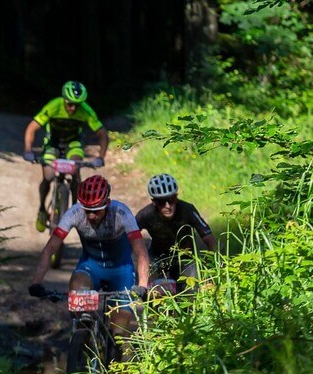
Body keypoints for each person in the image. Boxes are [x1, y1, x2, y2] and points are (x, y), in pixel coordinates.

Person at [29, 174, 149, 344]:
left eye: (96, 211)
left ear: (107, 203)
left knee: (119, 332)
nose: (91, 216)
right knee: (78, 293)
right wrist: (36, 282)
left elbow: (141, 252)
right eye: (87, 210)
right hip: (90, 268)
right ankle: (84, 335)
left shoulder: (122, 213)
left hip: (121, 271)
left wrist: (142, 285)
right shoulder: (74, 213)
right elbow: (50, 249)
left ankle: (112, 355)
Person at [22, 81, 109, 232]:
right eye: (70, 104)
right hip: (52, 143)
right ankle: (42, 208)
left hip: (73, 144)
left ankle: (77, 208)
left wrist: (101, 156)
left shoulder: (86, 110)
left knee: (75, 170)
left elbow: (102, 134)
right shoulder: (54, 105)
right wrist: (28, 150)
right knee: (48, 177)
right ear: (64, 100)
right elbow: (32, 127)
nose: (73, 108)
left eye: (77, 105)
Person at [136, 173, 215, 294]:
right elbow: (130, 238)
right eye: (162, 202)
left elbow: (208, 237)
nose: (168, 206)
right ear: (154, 202)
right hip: (158, 257)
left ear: (176, 197)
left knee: (192, 292)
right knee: (151, 291)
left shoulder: (187, 209)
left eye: (172, 200)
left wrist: (214, 264)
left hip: (186, 258)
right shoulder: (146, 214)